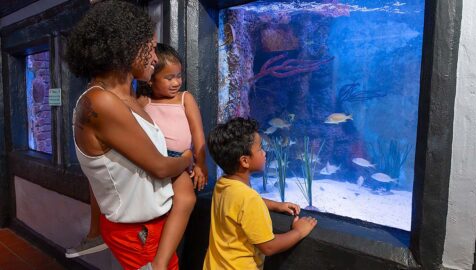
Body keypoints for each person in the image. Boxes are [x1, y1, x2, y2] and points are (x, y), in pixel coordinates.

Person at [65, 1, 192, 269]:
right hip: (139, 233)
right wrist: (187, 159)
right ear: (127, 47)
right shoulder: (102, 102)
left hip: (152, 230)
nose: (155, 59)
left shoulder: (126, 97)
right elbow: (159, 166)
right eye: (150, 49)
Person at [203, 117, 317, 270]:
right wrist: (299, 231)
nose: (264, 153)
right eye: (260, 149)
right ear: (244, 161)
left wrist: (276, 205)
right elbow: (269, 247)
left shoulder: (223, 184)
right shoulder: (249, 199)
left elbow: (239, 205)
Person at [136, 44, 208, 268]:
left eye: (178, 76)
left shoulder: (185, 99)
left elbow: (198, 134)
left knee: (186, 198)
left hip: (179, 160)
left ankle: (160, 262)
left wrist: (201, 164)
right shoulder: (144, 102)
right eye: (169, 78)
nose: (176, 82)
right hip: (151, 159)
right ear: (150, 79)